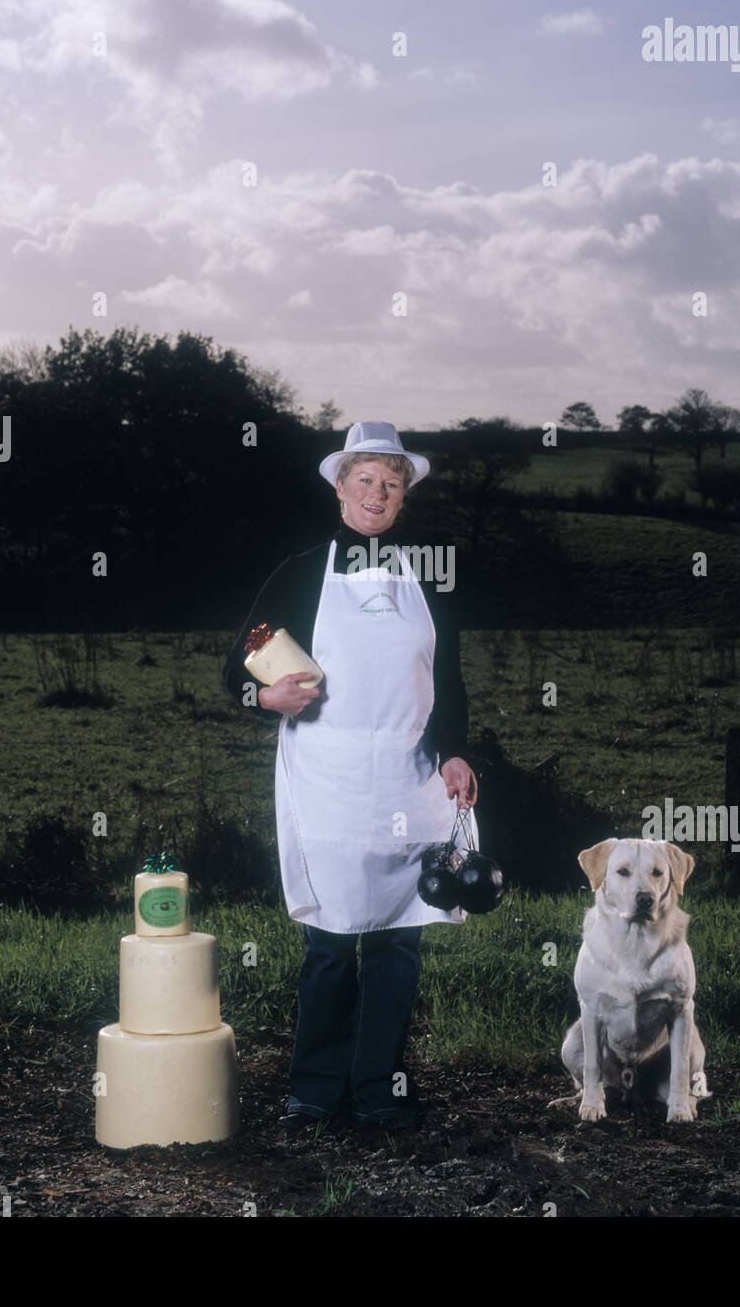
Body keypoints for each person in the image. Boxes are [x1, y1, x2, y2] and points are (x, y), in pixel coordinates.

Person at [222, 421, 478, 1128]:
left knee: (399, 941)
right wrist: (264, 694)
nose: (377, 493)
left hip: (410, 776)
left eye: (390, 484)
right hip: (328, 777)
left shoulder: (429, 577)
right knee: (330, 942)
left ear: (403, 499)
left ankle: (378, 1092)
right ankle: (313, 1090)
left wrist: (456, 751)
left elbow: (448, 684)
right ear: (340, 487)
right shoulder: (302, 570)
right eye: (364, 480)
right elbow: (235, 668)